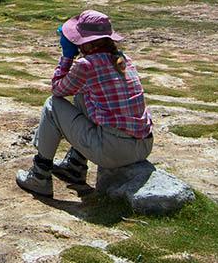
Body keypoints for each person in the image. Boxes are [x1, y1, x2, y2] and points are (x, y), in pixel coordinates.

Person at [16, 10, 153, 198]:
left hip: (114, 150)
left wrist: (66, 56)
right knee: (82, 97)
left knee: (52, 106)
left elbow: (57, 89)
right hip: (143, 145)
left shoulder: (86, 65)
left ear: (85, 40)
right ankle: (75, 166)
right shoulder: (123, 59)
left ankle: (39, 176)